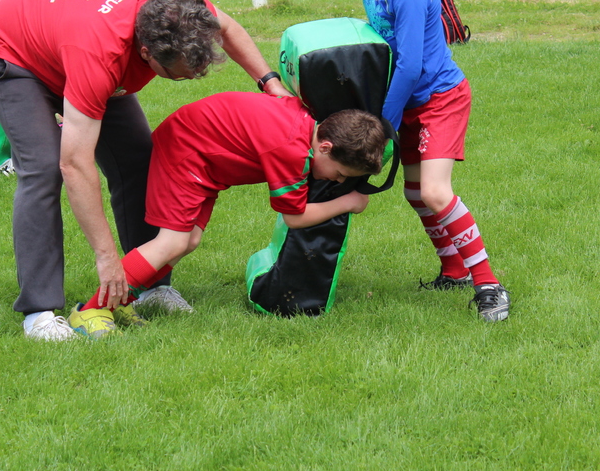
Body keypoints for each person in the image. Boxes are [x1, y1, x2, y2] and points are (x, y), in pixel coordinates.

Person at [0, 0, 293, 341]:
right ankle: (38, 313)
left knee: (138, 159)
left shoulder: (184, 8)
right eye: (177, 75)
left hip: (71, 37)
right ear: (145, 52)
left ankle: (149, 286)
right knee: (43, 168)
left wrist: (271, 84)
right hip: (14, 52)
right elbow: (75, 163)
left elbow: (230, 29)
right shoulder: (100, 53)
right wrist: (106, 257)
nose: (188, 80)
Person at [331, 0, 510, 322]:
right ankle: (454, 270)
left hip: (439, 98)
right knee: (414, 193)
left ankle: (489, 285)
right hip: (407, 99)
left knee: (433, 191)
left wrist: (382, 125)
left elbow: (411, 66)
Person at [69, 91, 386, 336]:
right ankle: (90, 311)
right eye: (340, 173)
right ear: (325, 147)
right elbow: (295, 217)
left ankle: (121, 300)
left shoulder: (305, 127)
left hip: (204, 160)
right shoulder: (290, 149)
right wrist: (348, 202)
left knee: (189, 240)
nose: (338, 181)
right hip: (187, 151)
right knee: (173, 241)